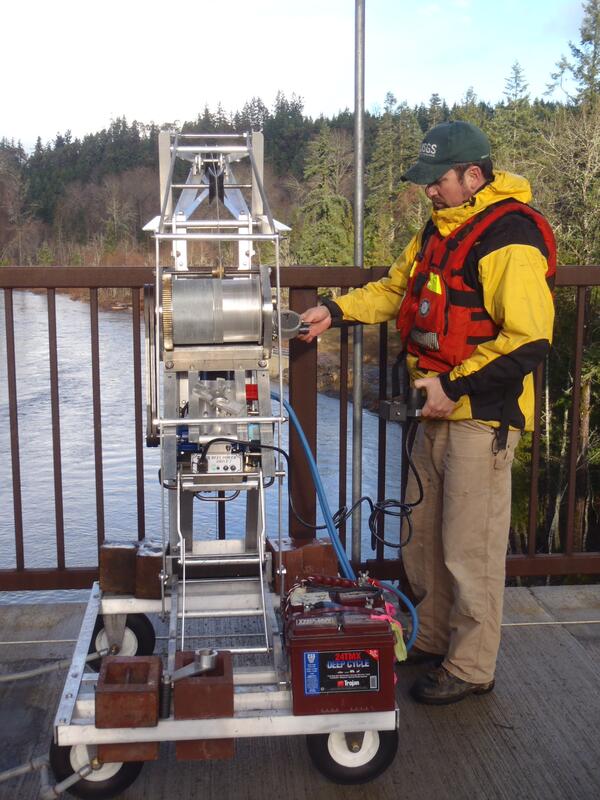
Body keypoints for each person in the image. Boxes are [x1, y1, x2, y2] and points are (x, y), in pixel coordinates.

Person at [299, 121, 555, 705]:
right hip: (434, 407)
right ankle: (434, 640)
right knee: (424, 544)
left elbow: (529, 340)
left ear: (473, 175)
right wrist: (333, 313)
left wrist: (452, 384)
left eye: (436, 182)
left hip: (480, 417)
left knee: (470, 550)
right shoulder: (438, 230)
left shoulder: (511, 236)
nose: (428, 193)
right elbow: (394, 289)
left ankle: (470, 669)